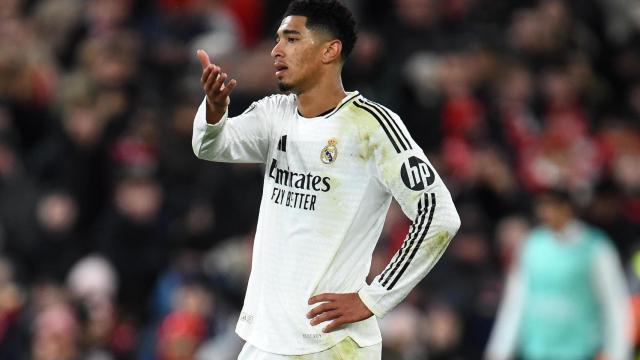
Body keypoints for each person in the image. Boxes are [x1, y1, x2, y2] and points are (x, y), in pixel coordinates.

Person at [191, 0, 461, 358]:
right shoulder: (275, 113)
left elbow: (438, 215)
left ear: (330, 50)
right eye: (276, 40)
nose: (276, 50)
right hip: (267, 339)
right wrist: (214, 109)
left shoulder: (374, 127)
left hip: (332, 344)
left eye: (291, 39)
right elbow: (211, 146)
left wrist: (373, 297)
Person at [485, 189, 632, 360]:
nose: (543, 213)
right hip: (536, 351)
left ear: (567, 208)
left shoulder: (595, 247)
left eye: (550, 206)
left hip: (580, 351)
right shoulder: (532, 245)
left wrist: (618, 352)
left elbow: (613, 301)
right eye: (541, 206)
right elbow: (516, 301)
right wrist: (499, 349)